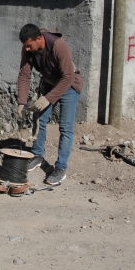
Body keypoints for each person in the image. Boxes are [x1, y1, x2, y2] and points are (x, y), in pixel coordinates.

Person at [16, 24, 84, 186]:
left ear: (39, 39)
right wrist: (21, 102)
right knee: (38, 120)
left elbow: (68, 77)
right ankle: (37, 155)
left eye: (29, 45)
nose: (26, 49)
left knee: (65, 127)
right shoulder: (28, 49)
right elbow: (24, 75)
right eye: (24, 45)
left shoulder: (59, 46)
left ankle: (61, 168)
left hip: (69, 86)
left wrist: (48, 99)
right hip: (48, 84)